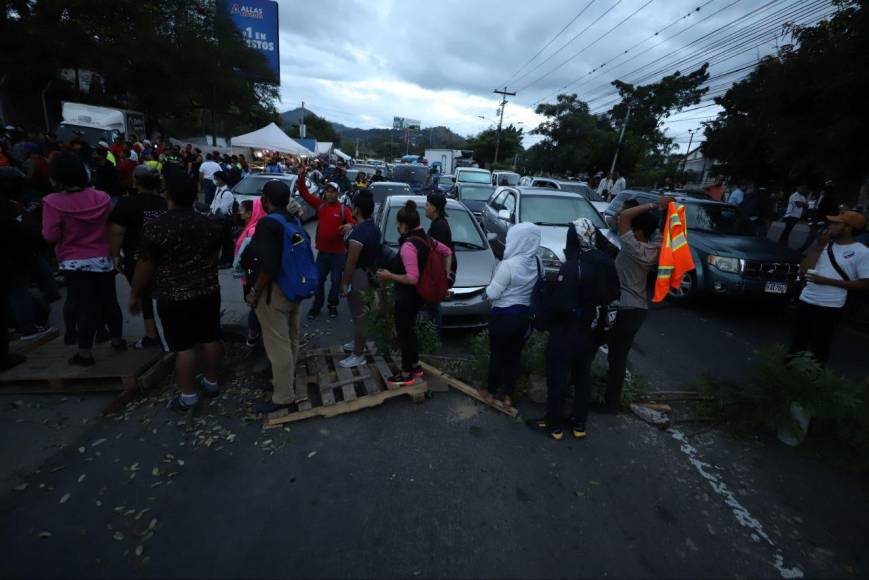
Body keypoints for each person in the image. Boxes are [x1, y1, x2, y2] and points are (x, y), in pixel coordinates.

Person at [131, 170, 224, 412]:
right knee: (210, 337)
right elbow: (218, 256)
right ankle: (212, 383)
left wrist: (135, 293)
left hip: (174, 296)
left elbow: (145, 265)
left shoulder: (156, 227)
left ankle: (189, 396)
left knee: (184, 347)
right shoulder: (210, 224)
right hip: (208, 291)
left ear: (167, 194)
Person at [528, 218, 620, 440]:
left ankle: (554, 425)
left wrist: (544, 309)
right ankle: (579, 424)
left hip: (567, 332)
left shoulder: (573, 265)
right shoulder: (606, 261)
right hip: (592, 331)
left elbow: (561, 304)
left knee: (558, 377)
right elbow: (614, 298)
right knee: (582, 377)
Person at [42, 153, 125, 365]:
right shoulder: (102, 198)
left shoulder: (52, 202)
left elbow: (50, 235)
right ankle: (117, 340)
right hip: (103, 259)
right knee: (109, 301)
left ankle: (85, 353)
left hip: (74, 262)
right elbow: (112, 225)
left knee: (85, 306)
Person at [244, 181, 312, 414]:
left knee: (277, 344)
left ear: (265, 199)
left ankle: (283, 396)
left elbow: (268, 264)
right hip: (294, 289)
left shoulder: (268, 223)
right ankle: (285, 382)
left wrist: (255, 292)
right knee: (291, 337)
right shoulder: (293, 220)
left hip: (274, 292)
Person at [376, 200, 452, 386]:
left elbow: (412, 278)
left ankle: (406, 373)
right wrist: (447, 274)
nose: (396, 226)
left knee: (404, 333)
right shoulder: (427, 238)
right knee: (410, 331)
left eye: (398, 223)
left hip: (408, 296)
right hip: (419, 296)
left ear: (404, 224)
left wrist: (389, 275)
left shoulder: (409, 246)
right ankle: (415, 366)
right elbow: (448, 251)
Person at [603, 198, 666, 413]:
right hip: (639, 309)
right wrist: (664, 212)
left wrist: (655, 205)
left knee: (616, 358)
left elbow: (624, 217)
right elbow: (658, 228)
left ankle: (611, 403)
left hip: (625, 308)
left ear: (638, 232)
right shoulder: (654, 248)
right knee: (619, 356)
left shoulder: (632, 247)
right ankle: (611, 397)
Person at [789, 211, 869, 365]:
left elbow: (865, 284)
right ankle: (786, 378)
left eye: (836, 223)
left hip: (831, 306)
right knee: (797, 343)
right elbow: (804, 269)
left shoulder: (862, 252)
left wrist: (826, 281)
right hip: (806, 300)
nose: (830, 226)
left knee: (820, 348)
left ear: (848, 229)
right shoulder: (825, 244)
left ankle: (813, 381)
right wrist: (819, 247)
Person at [483, 222, 541, 407]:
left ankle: (491, 392)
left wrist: (486, 290)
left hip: (503, 317)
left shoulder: (508, 265)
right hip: (524, 317)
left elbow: (493, 294)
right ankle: (508, 395)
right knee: (514, 357)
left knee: (497, 355)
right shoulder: (537, 262)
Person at [109, 165, 167, 349]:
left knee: (143, 295)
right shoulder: (164, 203)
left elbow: (117, 231)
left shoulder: (126, 203)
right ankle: (163, 331)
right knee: (162, 294)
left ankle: (152, 335)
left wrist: (116, 255)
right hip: (164, 257)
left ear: (135, 181)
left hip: (136, 258)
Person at [297, 165, 355, 319]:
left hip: (338, 253)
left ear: (338, 193)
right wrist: (301, 177)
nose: (329, 193)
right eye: (327, 191)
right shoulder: (320, 205)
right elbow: (303, 193)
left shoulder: (344, 209)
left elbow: (354, 222)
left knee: (335, 282)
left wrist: (350, 225)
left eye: (332, 191)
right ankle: (316, 307)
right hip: (322, 253)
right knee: (318, 281)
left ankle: (332, 305)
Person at [338, 192, 382, 368]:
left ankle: (358, 354)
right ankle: (357, 343)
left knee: (359, 316)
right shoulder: (373, 228)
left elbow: (351, 262)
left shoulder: (359, 234)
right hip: (369, 273)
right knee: (361, 314)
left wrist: (344, 283)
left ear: (357, 209)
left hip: (358, 276)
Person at [234, 199, 267, 347]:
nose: (239, 212)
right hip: (251, 275)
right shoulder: (253, 226)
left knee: (255, 304)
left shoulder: (254, 230)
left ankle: (254, 334)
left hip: (253, 277)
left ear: (250, 213)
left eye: (242, 210)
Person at [424, 193, 456, 328]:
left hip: (438, 275)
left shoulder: (440, 227)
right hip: (437, 274)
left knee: (433, 307)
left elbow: (441, 254)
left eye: (427, 205)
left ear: (435, 208)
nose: (425, 208)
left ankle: (432, 337)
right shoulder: (438, 223)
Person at [798, 180, 840, 254]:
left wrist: (815, 216)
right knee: (817, 236)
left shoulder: (826, 199)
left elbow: (821, 210)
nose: (823, 193)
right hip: (826, 221)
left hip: (821, 220)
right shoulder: (834, 200)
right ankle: (821, 251)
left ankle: (802, 250)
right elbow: (835, 212)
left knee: (813, 235)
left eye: (824, 191)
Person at [209, 171, 236, 268]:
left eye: (216, 178)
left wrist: (215, 212)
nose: (214, 180)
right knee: (220, 240)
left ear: (221, 180)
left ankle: (228, 261)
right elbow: (214, 202)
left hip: (224, 220)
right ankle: (222, 260)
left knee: (226, 241)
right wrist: (211, 210)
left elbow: (223, 209)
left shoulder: (227, 193)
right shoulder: (218, 189)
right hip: (217, 218)